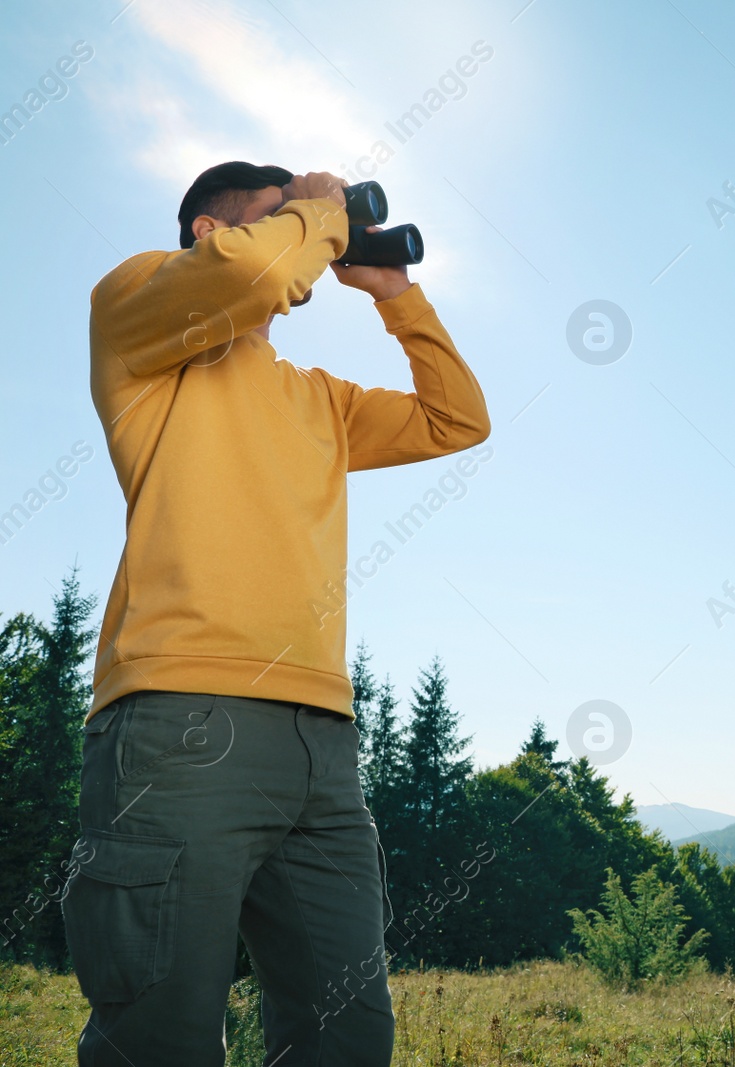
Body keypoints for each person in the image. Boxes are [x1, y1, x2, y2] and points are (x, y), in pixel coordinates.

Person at [64, 161, 491, 1066]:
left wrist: (393, 293)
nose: (310, 229)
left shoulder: (319, 399)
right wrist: (322, 211)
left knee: (345, 1035)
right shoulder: (135, 309)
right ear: (211, 233)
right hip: (180, 721)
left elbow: (457, 420)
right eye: (282, 215)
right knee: (160, 1034)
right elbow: (254, 276)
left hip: (323, 744)